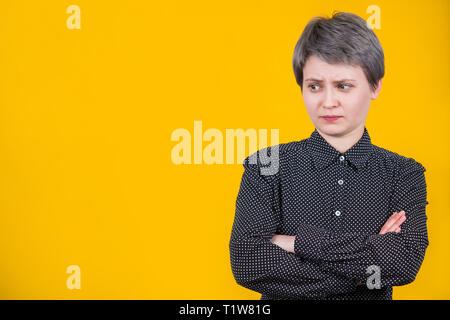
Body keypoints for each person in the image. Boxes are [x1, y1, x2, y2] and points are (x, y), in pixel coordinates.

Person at [229, 11, 429, 300]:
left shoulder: (403, 173)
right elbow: (248, 262)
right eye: (314, 86)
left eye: (343, 86)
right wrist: (361, 275)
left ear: (375, 86)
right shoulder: (266, 165)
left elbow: (403, 262)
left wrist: (295, 243)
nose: (328, 102)